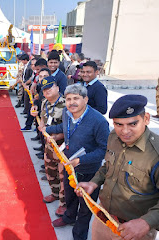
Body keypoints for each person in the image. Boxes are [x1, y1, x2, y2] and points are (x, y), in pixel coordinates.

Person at [77, 94, 159, 240]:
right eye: (118, 124)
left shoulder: (156, 153)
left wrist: (146, 222)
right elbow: (107, 167)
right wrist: (93, 183)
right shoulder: (114, 136)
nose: (125, 131)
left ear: (146, 119)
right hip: (103, 218)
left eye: (133, 124)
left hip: (134, 230)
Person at [44, 83, 109, 240]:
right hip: (69, 166)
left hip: (89, 171)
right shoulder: (67, 113)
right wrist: (48, 129)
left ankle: (79, 234)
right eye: (68, 99)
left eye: (76, 98)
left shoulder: (98, 121)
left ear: (85, 99)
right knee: (70, 195)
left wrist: (81, 160)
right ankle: (69, 217)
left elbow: (103, 150)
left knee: (86, 205)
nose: (71, 102)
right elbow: (64, 127)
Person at [31, 76, 67, 216]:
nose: (47, 92)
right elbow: (44, 120)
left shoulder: (65, 104)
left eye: (50, 88)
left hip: (62, 146)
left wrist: (58, 136)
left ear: (57, 87)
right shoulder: (45, 102)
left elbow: (68, 127)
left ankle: (63, 203)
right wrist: (39, 122)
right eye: (44, 89)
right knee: (50, 171)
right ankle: (55, 193)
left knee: (63, 175)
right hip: (49, 144)